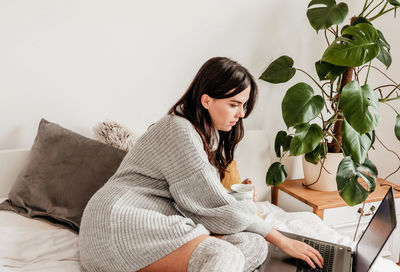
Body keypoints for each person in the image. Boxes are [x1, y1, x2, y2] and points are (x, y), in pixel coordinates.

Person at [79, 57, 324, 272]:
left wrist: (239, 203)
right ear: (206, 100)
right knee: (228, 253)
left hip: (152, 217)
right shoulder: (178, 130)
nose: (241, 114)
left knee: (253, 245)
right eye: (234, 104)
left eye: (244, 105)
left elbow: (200, 198)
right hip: (118, 221)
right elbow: (209, 202)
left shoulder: (202, 134)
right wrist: (282, 240)